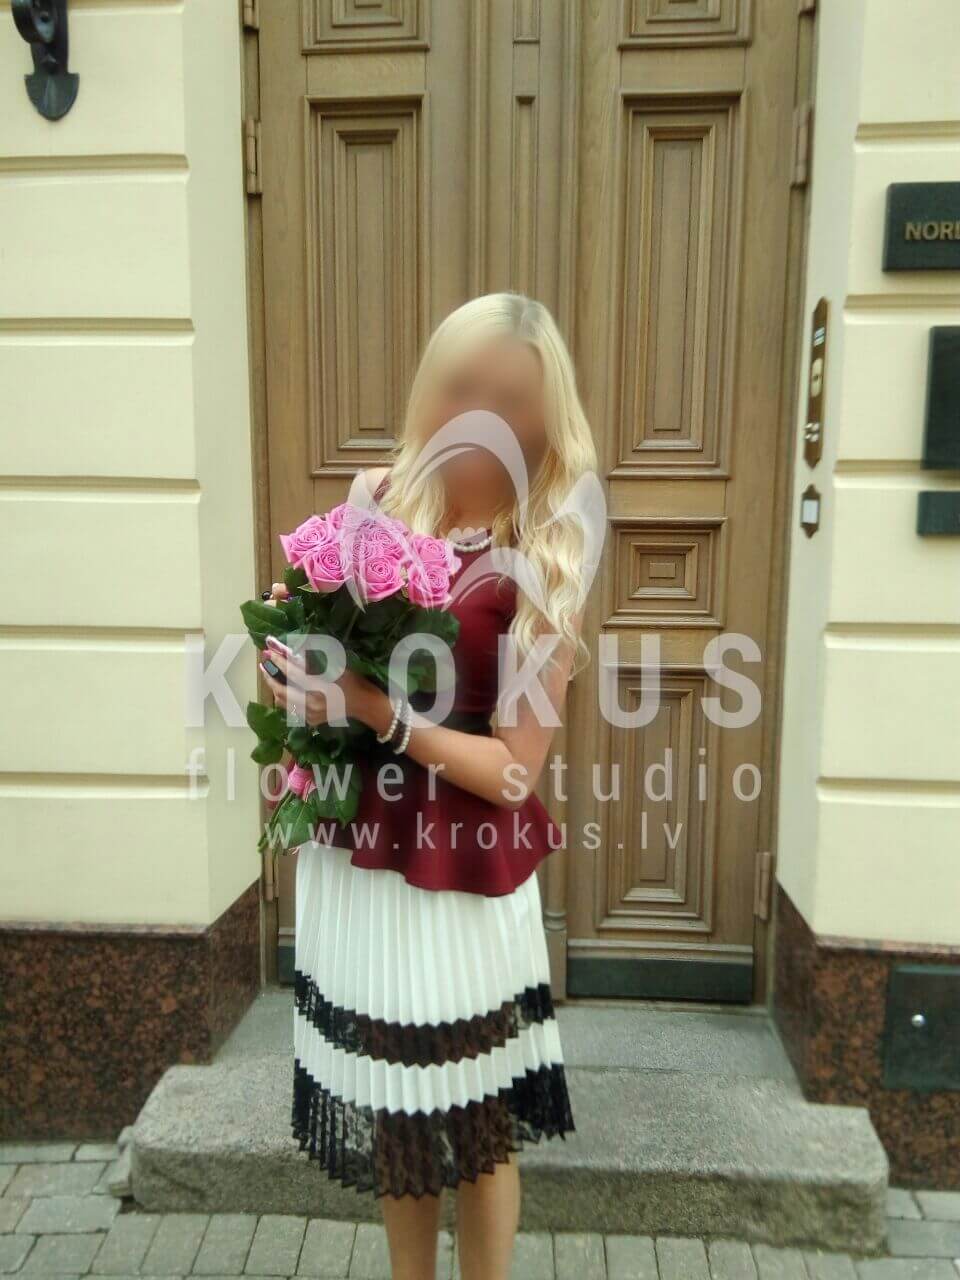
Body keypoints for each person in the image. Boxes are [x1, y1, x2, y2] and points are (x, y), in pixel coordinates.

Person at [259, 292, 599, 1280]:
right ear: (429, 388)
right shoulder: (378, 498)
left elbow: (514, 772)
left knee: (477, 1118)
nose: (481, 413)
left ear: (547, 416)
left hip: (465, 873)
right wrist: (296, 672)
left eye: (512, 399)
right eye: (462, 386)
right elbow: (324, 667)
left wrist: (378, 711)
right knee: (397, 1109)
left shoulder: (547, 548)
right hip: (363, 857)